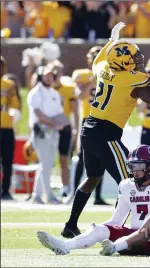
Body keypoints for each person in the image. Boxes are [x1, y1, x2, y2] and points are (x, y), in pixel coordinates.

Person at [61, 22, 150, 239]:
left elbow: (99, 60)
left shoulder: (103, 69)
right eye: (134, 58)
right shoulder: (134, 80)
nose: (139, 60)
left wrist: (112, 41)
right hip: (106, 134)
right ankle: (119, 232)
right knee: (133, 182)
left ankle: (71, 224)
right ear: (124, 63)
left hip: (89, 128)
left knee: (92, 177)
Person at [37, 145, 150, 256]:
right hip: (129, 243)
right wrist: (99, 230)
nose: (134, 171)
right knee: (98, 228)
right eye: (131, 166)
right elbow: (117, 221)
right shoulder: (126, 185)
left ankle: (114, 247)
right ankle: (64, 246)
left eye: (139, 166)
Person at [68, 46, 109, 205]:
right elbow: (79, 95)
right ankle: (73, 193)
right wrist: (93, 79)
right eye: (94, 56)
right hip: (87, 118)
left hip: (104, 119)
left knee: (102, 157)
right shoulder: (82, 74)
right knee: (81, 157)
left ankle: (97, 196)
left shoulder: (109, 75)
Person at [27, 65, 67, 204]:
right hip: (41, 131)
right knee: (46, 163)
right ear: (40, 76)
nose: (49, 78)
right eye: (46, 75)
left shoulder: (54, 93)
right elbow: (39, 115)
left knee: (47, 165)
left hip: (54, 132)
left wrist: (65, 125)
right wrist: (55, 124)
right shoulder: (35, 92)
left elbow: (59, 114)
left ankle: (36, 195)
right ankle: (49, 196)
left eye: (51, 75)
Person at [49, 60, 79, 198]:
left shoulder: (68, 89)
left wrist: (76, 130)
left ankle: (65, 188)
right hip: (48, 127)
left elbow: (75, 112)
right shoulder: (45, 89)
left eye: (57, 71)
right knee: (46, 159)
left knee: (63, 159)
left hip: (64, 127)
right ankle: (45, 187)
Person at [0, 56, 22, 200]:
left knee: (7, 160)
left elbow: (15, 106)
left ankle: (5, 190)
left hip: (7, 126)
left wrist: (9, 95)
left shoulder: (9, 84)